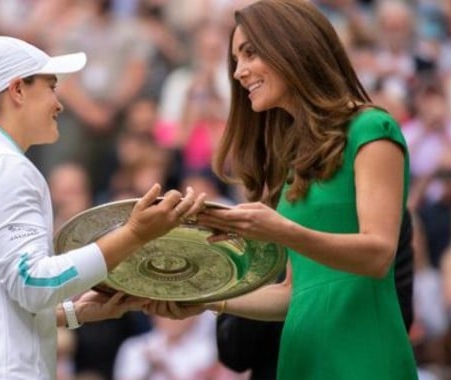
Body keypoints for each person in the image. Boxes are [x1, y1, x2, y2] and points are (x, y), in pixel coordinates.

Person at [148, 1, 418, 379]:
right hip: (300, 357)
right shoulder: (295, 160)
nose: (239, 72)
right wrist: (205, 298)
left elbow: (378, 254)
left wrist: (279, 229)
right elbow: (294, 293)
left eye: (249, 53)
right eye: (235, 60)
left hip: (362, 355)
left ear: (290, 46)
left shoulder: (371, 129)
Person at [0, 35, 205, 379]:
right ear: (17, 90)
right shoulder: (1, 166)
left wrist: (75, 313)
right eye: (52, 87)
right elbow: (34, 285)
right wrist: (134, 234)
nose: (60, 104)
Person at [216, 208, 415, 380]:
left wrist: (289, 234)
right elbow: (233, 351)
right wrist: (266, 257)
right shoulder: (250, 223)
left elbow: (395, 318)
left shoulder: (383, 218)